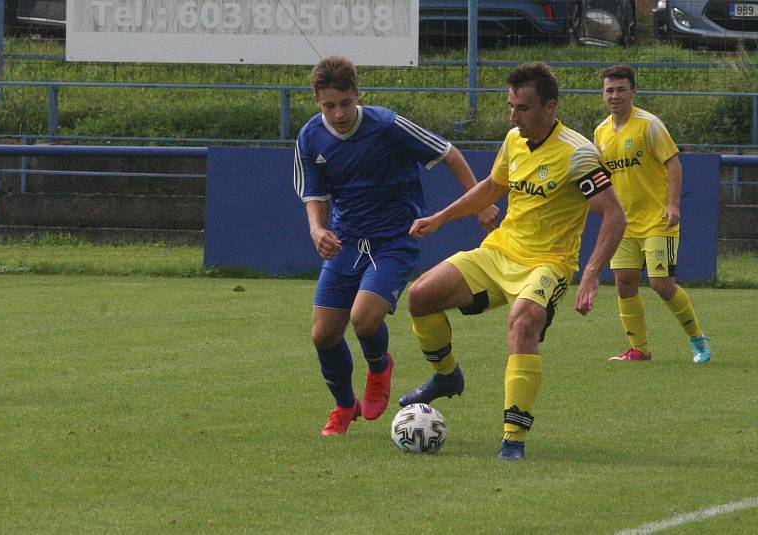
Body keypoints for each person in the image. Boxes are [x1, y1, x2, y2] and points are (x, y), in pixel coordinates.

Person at [398, 62, 626, 461]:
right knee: (420, 296)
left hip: (548, 263)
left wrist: (590, 274)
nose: (513, 115)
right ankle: (447, 375)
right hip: (500, 251)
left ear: (549, 107)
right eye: (510, 106)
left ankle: (513, 439)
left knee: (522, 323)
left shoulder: (578, 154)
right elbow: (491, 188)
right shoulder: (513, 140)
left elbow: (614, 215)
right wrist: (440, 219)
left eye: (522, 108)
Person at [293, 56, 498, 436]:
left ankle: (378, 366)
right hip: (347, 241)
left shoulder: (387, 125)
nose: (338, 113)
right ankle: (343, 407)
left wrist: (479, 202)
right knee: (323, 335)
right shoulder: (309, 136)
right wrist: (317, 230)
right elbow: (314, 194)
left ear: (357, 94)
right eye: (329, 106)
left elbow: (448, 152)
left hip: (395, 240)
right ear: (317, 101)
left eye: (345, 103)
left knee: (364, 318)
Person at [594, 64, 711, 364]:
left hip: (658, 220)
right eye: (609, 90)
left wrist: (673, 205)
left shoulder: (649, 125)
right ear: (603, 94)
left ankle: (698, 339)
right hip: (623, 223)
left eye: (621, 89)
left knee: (660, 284)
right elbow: (603, 176)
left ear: (633, 91)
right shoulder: (601, 132)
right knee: (624, 283)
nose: (615, 95)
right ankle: (639, 350)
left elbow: (673, 164)